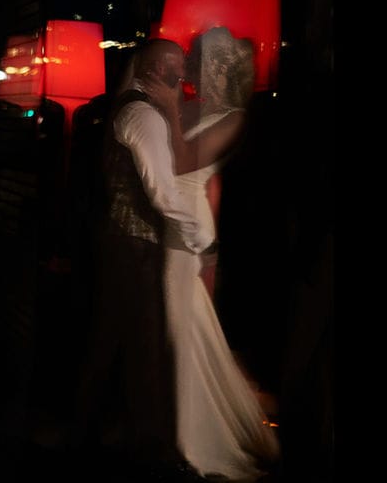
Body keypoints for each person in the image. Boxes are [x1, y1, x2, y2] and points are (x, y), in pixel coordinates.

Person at [75, 38, 213, 480]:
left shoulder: (133, 108)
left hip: (119, 243)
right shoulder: (142, 115)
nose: (182, 81)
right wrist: (199, 236)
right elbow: (161, 192)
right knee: (144, 346)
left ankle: (87, 433)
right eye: (175, 73)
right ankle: (148, 448)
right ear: (154, 71)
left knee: (108, 339)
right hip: (132, 246)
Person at [158, 26, 280, 481]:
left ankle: (202, 434)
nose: (193, 70)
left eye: (200, 62)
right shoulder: (197, 108)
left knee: (188, 330)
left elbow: (188, 162)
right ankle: (177, 425)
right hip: (176, 222)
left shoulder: (232, 116)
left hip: (188, 234)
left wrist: (169, 110)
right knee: (180, 331)